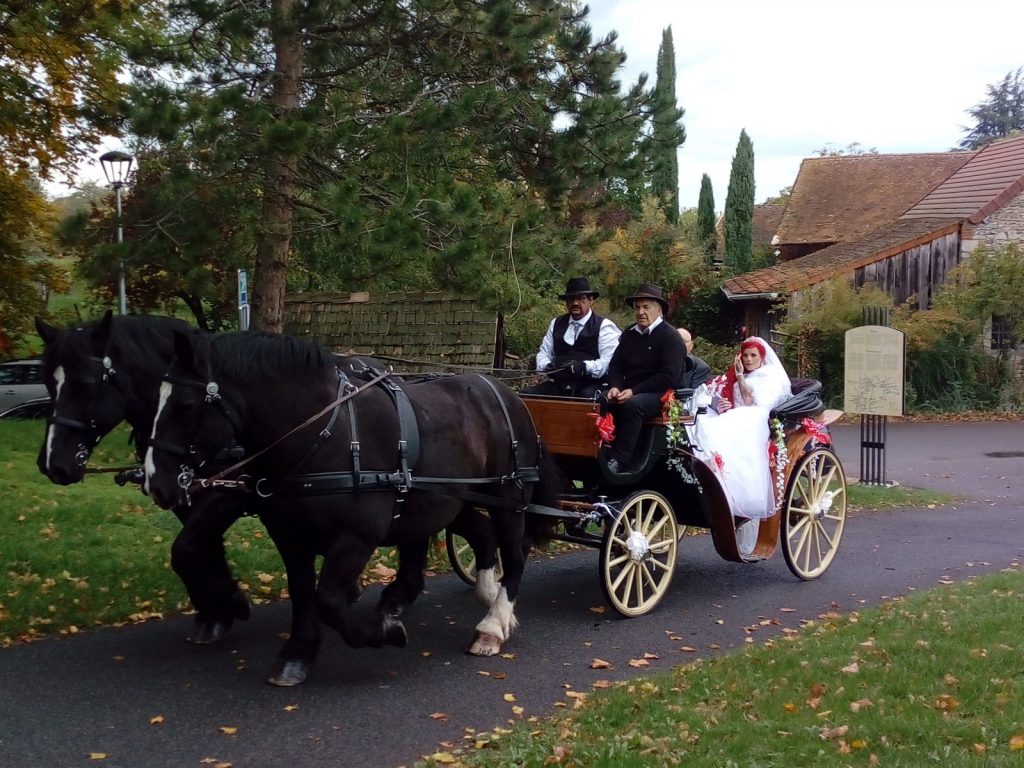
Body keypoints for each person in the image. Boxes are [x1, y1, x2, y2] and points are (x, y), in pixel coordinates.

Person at [689, 336, 792, 520]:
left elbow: (751, 401)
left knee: (731, 426)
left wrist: (740, 377)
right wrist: (722, 403)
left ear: (762, 357)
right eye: (745, 355)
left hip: (756, 415)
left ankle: (735, 491)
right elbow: (723, 395)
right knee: (703, 422)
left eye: (753, 355)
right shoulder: (737, 373)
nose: (749, 359)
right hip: (736, 414)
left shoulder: (770, 375)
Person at [604, 283, 685, 474]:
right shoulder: (629, 334)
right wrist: (614, 387)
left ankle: (621, 460)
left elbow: (669, 377)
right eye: (637, 307)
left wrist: (634, 391)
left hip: (662, 394)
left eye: (646, 307)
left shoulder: (670, 337)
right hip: (630, 390)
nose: (640, 312)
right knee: (599, 400)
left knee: (635, 405)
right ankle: (600, 452)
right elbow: (616, 365)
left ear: (659, 310)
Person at [524, 277, 621, 398]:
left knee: (587, 398)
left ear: (591, 300)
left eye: (581, 299)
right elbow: (544, 353)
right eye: (571, 299)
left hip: (590, 386)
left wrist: (585, 367)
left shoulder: (604, 326)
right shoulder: (556, 323)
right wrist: (547, 366)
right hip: (559, 385)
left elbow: (609, 362)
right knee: (527, 395)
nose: (575, 303)